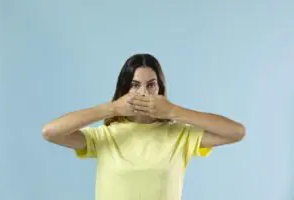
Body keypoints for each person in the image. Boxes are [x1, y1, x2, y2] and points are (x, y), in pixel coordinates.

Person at [42, 53, 245, 200]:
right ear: (124, 89)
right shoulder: (104, 137)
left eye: (151, 85)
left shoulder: (180, 135)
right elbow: (51, 132)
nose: (143, 93)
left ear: (160, 89)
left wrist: (173, 111)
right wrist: (112, 109)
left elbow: (236, 132)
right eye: (135, 85)